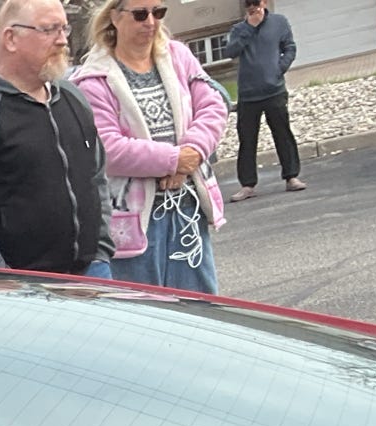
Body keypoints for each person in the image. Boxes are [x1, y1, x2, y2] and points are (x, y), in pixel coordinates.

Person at [0, 0, 116, 277]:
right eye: (49, 29)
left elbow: (97, 177)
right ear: (11, 38)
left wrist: (101, 250)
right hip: (24, 290)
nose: (63, 40)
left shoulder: (73, 98)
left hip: (93, 273)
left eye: (64, 28)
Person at [72, 1, 229, 292]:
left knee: (200, 311)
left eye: (158, 12)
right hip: (133, 222)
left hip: (187, 209)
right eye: (140, 14)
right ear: (114, 17)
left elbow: (213, 106)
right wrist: (173, 160)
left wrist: (192, 153)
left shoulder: (179, 56)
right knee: (145, 312)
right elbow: (109, 148)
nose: (151, 22)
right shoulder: (92, 79)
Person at [225, 0, 303, 197]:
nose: (253, 7)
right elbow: (231, 51)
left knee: (283, 134)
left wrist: (279, 68)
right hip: (248, 95)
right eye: (248, 5)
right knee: (247, 140)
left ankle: (291, 177)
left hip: (274, 90)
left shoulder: (279, 22)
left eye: (255, 3)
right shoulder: (238, 29)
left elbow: (290, 47)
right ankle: (247, 185)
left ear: (264, 2)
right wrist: (249, 29)